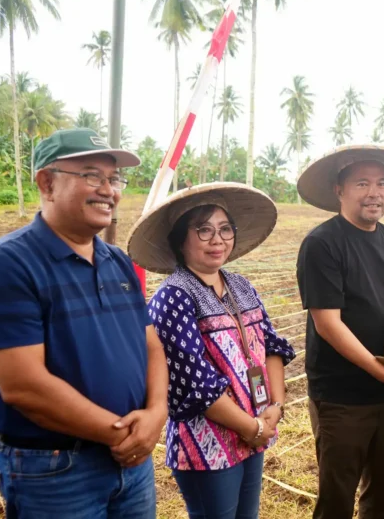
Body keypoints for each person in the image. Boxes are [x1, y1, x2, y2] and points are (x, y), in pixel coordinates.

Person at [0, 128, 168, 518]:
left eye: (114, 179)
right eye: (92, 175)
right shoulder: (6, 265)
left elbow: (151, 346)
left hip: (133, 464)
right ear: (47, 183)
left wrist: (157, 413)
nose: (108, 190)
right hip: (56, 470)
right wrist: (125, 435)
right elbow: (25, 387)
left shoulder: (117, 261)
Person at [126, 182, 296, 519]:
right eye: (203, 230)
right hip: (208, 445)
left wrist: (275, 407)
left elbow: (272, 346)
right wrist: (253, 428)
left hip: (256, 427)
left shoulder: (241, 286)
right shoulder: (174, 297)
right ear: (180, 240)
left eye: (224, 229)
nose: (217, 240)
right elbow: (194, 384)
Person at [295, 145, 384, 519]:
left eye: (381, 183)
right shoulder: (322, 243)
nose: (374, 192)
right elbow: (327, 323)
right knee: (337, 498)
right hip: (342, 396)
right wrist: (380, 368)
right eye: (362, 183)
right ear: (339, 190)